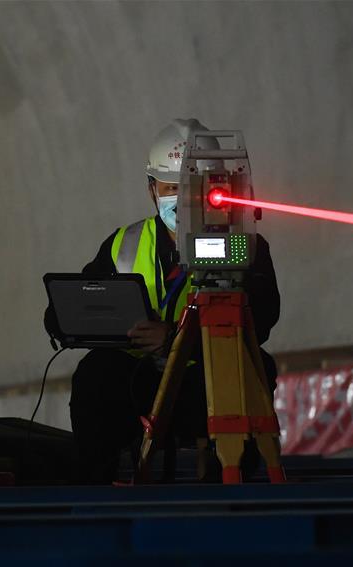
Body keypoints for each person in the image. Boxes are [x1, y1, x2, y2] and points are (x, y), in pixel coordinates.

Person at [45, 118, 280, 484]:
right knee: (95, 375)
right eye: (171, 187)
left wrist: (175, 338)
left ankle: (227, 489)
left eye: (190, 187)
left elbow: (262, 320)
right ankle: (95, 490)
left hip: (204, 379)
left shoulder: (247, 244)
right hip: (140, 379)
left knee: (257, 368)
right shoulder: (125, 243)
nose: (181, 199)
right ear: (151, 188)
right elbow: (80, 299)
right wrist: (66, 319)